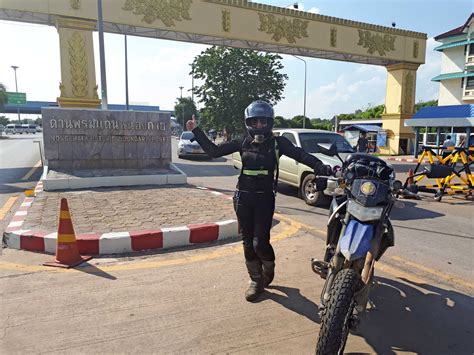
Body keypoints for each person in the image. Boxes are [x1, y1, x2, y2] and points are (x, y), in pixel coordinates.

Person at [186, 101, 334, 302]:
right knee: (248, 242)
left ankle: (269, 269)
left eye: (262, 121)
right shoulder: (241, 142)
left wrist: (319, 166)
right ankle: (256, 281)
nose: (258, 126)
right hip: (243, 198)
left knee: (260, 242)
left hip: (265, 198)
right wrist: (196, 131)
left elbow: (300, 155)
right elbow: (213, 151)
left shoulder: (278, 143)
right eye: (254, 122)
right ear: (248, 123)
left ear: (269, 122)